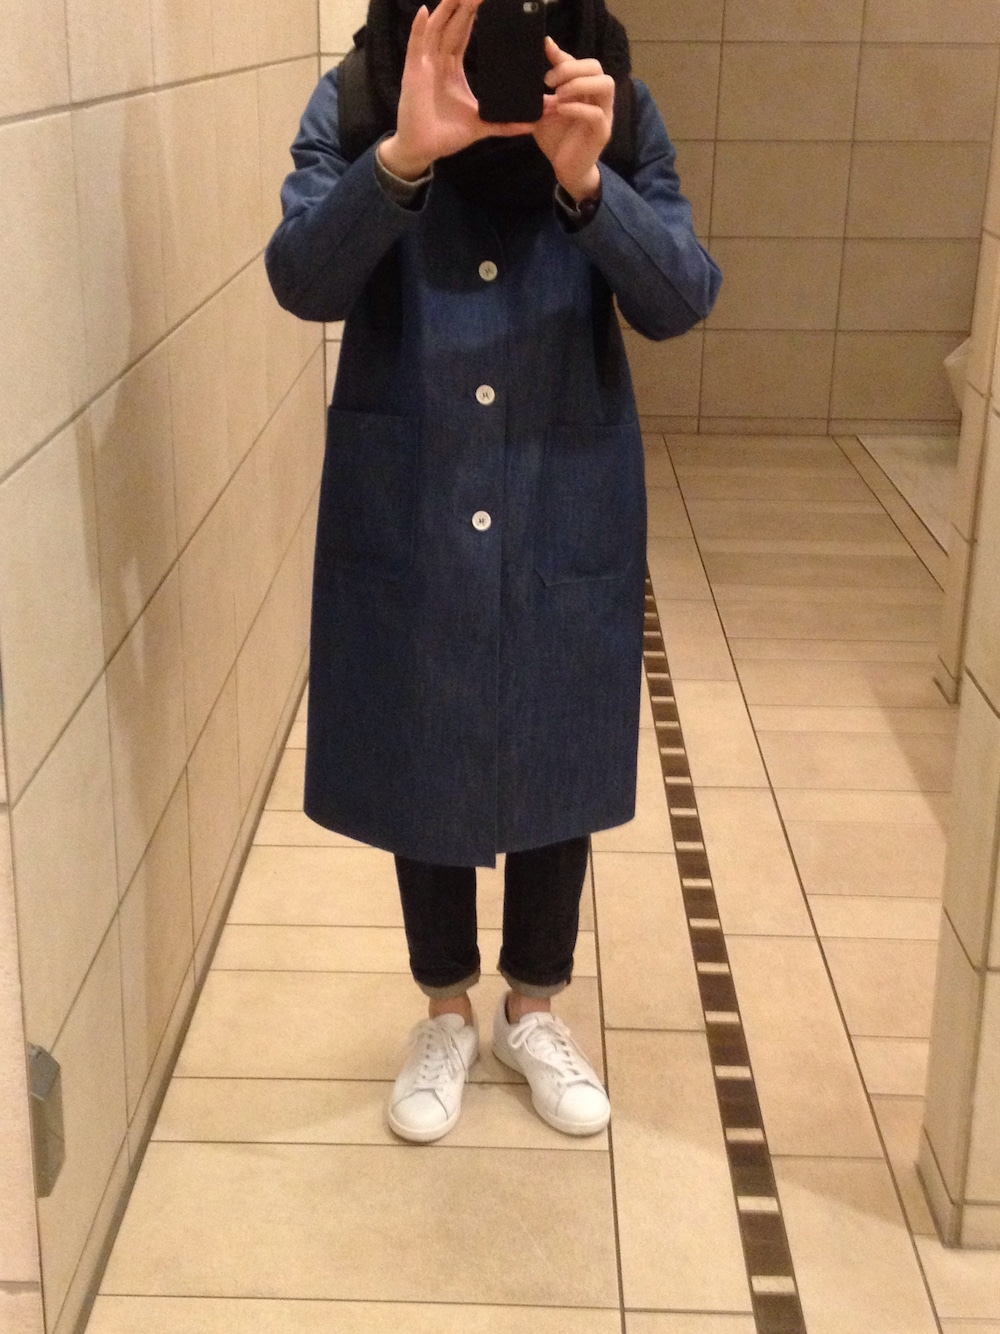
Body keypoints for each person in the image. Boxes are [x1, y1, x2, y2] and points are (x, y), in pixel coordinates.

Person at [265, 0, 721, 1144]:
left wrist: (587, 184)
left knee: (556, 728)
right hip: (414, 483)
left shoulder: (611, 103)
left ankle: (534, 1007)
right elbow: (301, 279)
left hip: (561, 486)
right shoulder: (362, 94)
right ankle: (444, 1010)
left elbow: (681, 296)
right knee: (425, 728)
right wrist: (402, 159)